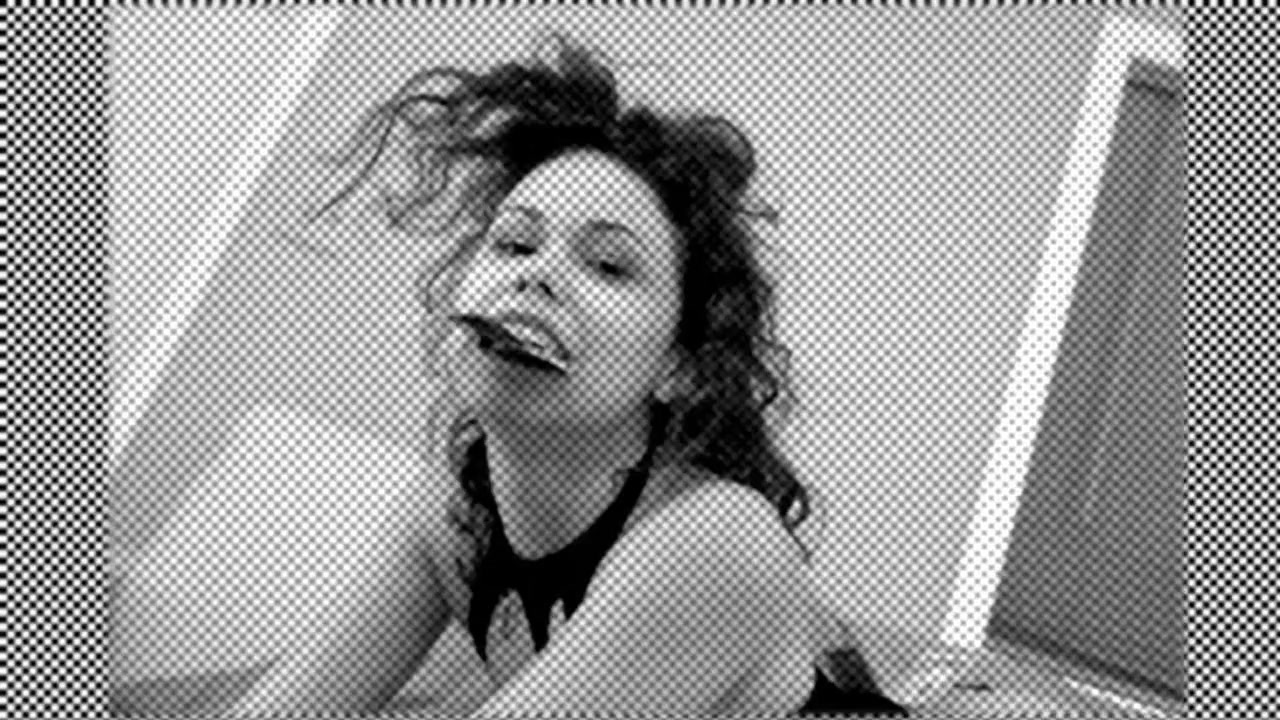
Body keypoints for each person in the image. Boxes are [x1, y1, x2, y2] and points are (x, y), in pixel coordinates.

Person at [228, 32, 907, 718]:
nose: (537, 274)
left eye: (608, 265)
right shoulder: (448, 511)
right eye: (514, 242)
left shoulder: (716, 539)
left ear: (679, 366)